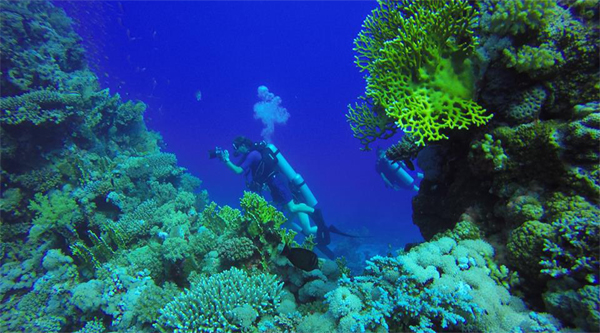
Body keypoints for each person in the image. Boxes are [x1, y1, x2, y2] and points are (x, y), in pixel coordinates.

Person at [218, 136, 318, 236]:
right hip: (274, 183)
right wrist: (225, 159)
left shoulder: (253, 154)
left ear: (243, 145)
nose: (236, 150)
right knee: (288, 221)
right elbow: (238, 166)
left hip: (277, 181)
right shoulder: (249, 154)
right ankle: (309, 232)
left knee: (292, 208)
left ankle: (315, 213)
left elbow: (238, 170)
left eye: (236, 147)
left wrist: (227, 161)